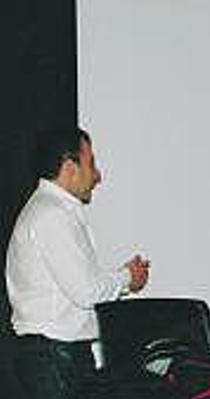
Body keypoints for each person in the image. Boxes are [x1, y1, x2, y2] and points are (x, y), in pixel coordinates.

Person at [5, 127, 151, 398]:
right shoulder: (52, 216)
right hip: (55, 359)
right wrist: (127, 277)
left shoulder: (50, 211)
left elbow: (80, 288)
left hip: (56, 357)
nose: (97, 176)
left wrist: (125, 280)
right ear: (70, 167)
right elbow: (86, 291)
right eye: (91, 163)